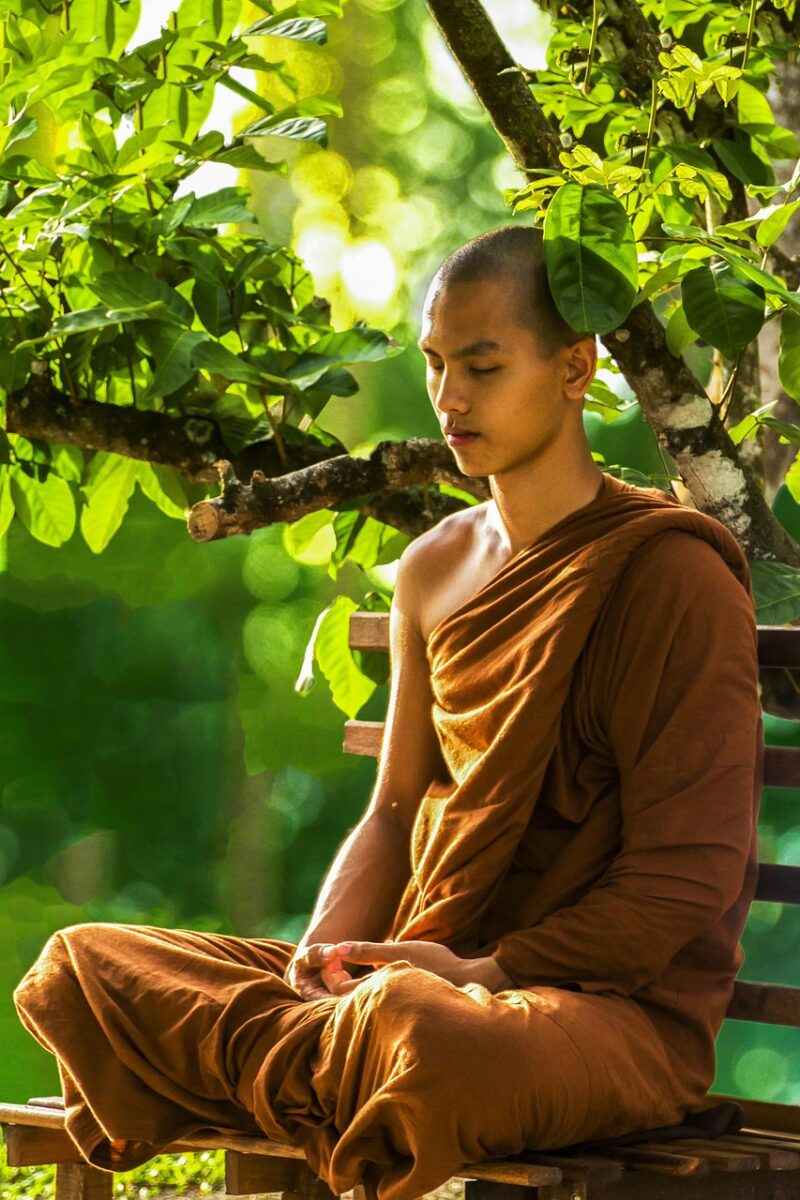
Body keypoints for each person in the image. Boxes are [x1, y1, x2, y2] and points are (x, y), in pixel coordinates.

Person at [13, 225, 763, 1200]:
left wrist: (477, 973)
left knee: (425, 1034)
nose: (448, 400)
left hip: (590, 1016)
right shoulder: (434, 566)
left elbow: (682, 882)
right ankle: (332, 1052)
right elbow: (396, 809)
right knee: (86, 963)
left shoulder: (668, 571)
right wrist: (316, 969)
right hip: (411, 980)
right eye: (436, 367)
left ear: (574, 367)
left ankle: (325, 1059)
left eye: (482, 368)